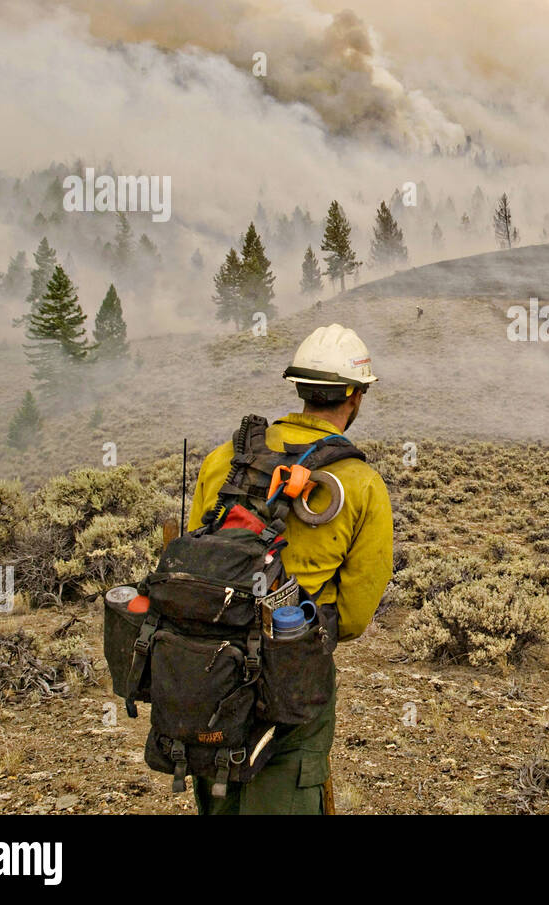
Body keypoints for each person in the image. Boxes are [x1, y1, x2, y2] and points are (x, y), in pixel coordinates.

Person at [186, 324, 394, 814]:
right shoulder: (361, 483)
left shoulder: (224, 460)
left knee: (219, 793)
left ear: (299, 387)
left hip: (208, 669)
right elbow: (354, 617)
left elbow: (195, 561)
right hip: (293, 677)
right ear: (355, 396)